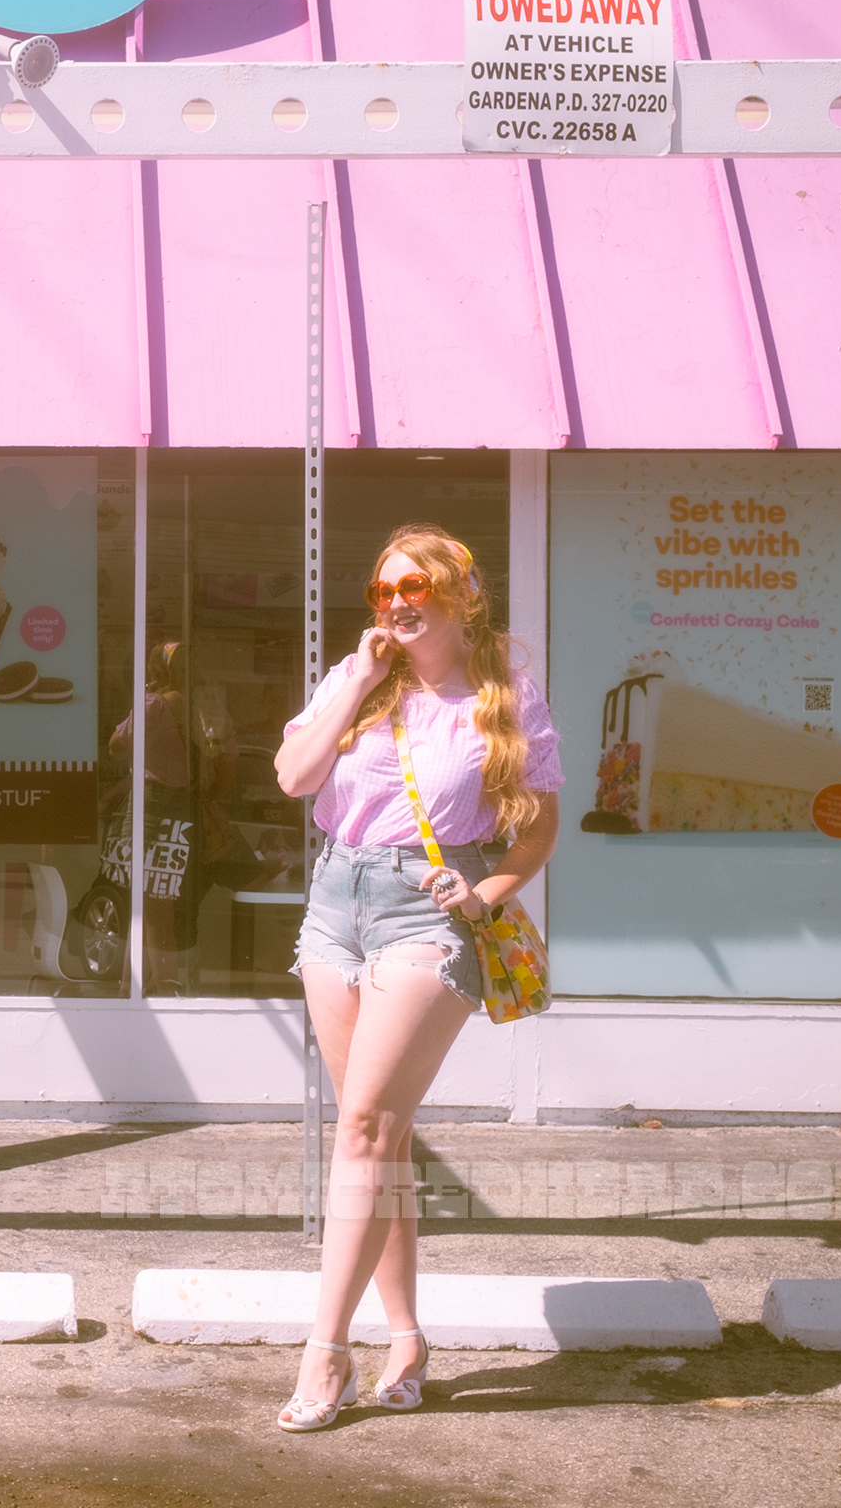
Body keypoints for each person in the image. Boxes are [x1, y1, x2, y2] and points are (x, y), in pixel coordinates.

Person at [268, 525, 562, 1431]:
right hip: (335, 904)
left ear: (460, 595)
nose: (396, 603)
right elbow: (294, 778)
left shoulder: (504, 696)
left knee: (362, 1128)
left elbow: (539, 828)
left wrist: (486, 894)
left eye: (415, 587)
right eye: (383, 589)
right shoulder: (355, 679)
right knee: (382, 1142)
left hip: (427, 914)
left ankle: (324, 1352)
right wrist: (357, 681)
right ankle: (406, 1338)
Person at [107, 641, 236, 994]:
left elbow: (116, 745)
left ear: (156, 670)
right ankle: (131, 986)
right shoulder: (210, 711)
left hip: (150, 806)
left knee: (149, 901)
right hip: (186, 808)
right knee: (157, 899)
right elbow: (227, 773)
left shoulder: (154, 705)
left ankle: (163, 987)